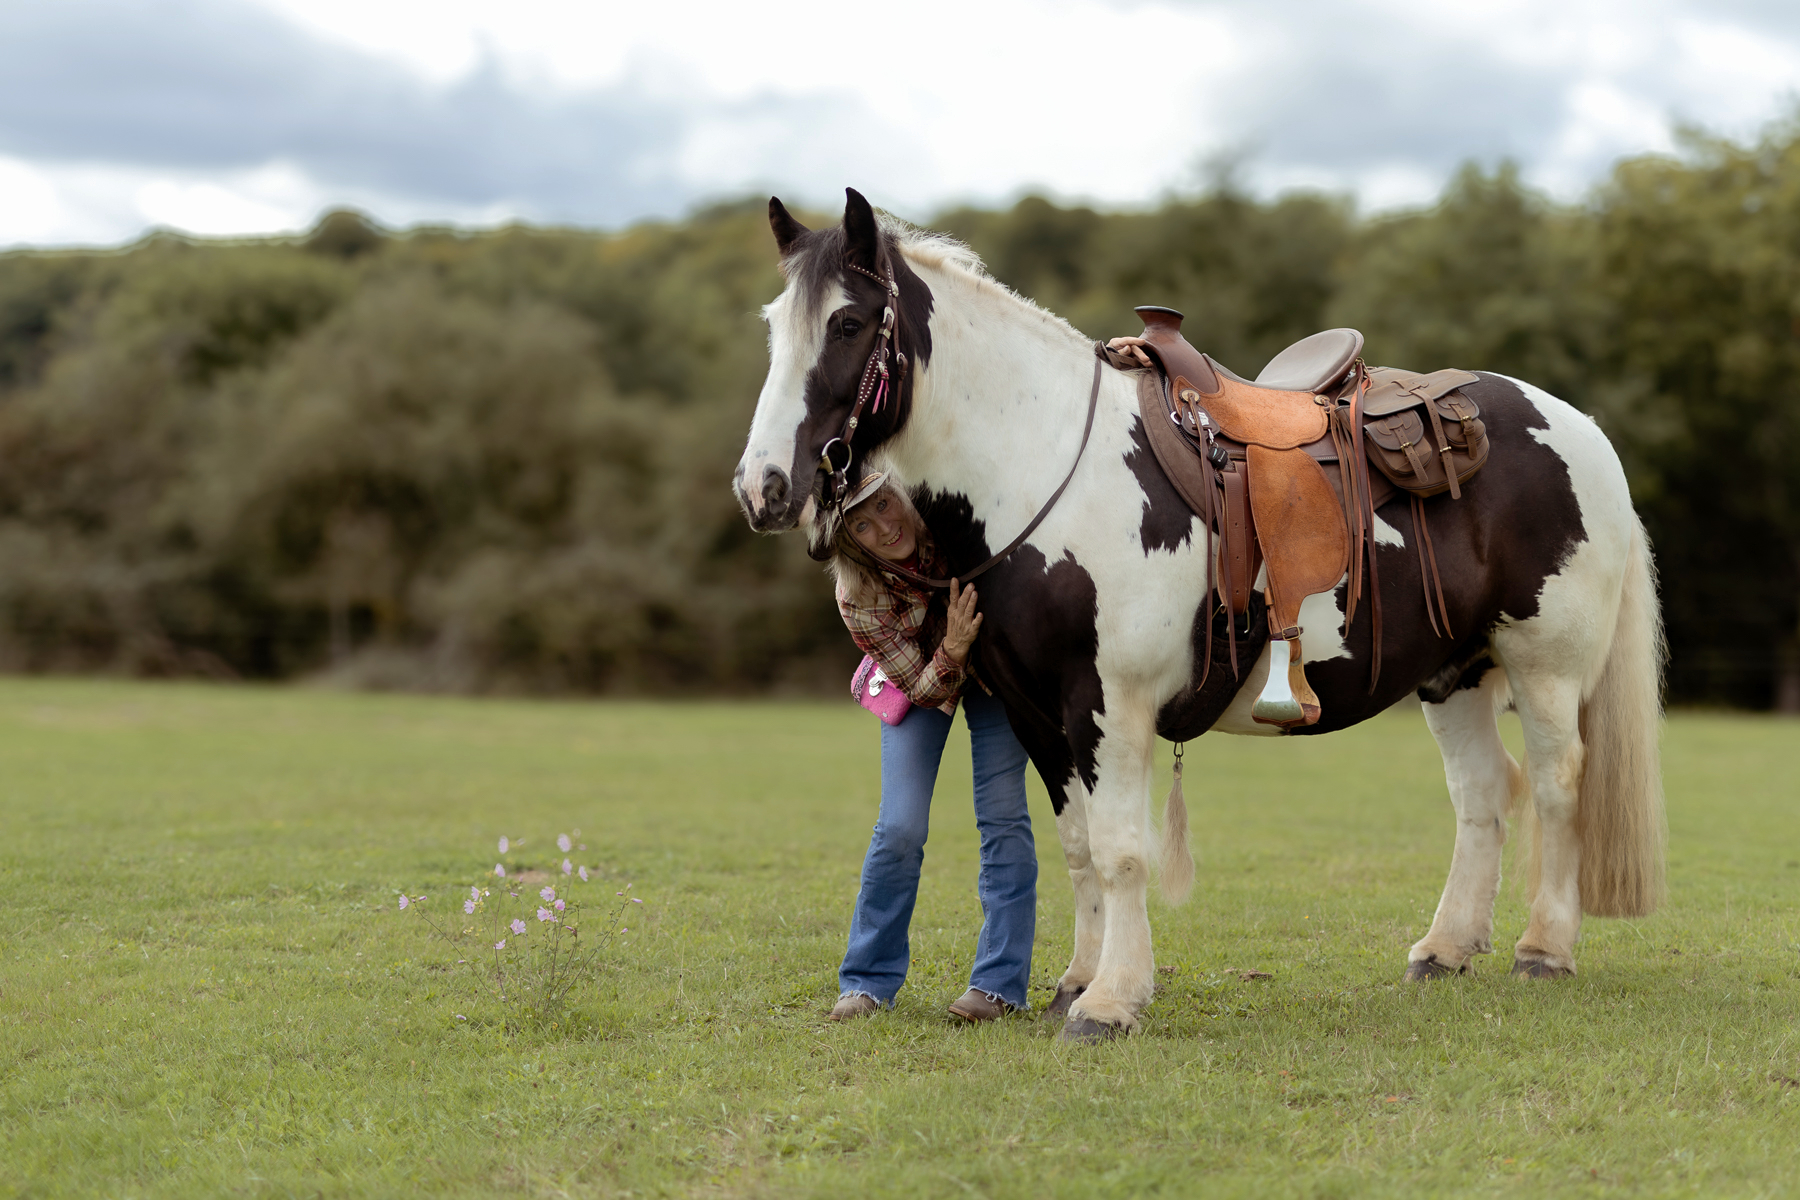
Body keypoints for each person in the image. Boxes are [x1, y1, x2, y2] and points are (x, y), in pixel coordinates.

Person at [825, 470, 1037, 1023]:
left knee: (1003, 817)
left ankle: (999, 986)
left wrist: (972, 648)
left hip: (993, 675)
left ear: (902, 491)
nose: (885, 527)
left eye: (886, 504)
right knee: (899, 826)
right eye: (863, 525)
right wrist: (952, 648)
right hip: (923, 684)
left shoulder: (952, 519)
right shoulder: (857, 597)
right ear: (850, 541)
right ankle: (867, 982)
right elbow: (921, 688)